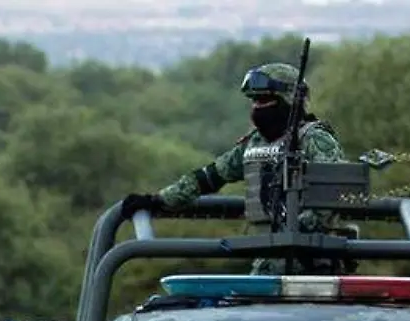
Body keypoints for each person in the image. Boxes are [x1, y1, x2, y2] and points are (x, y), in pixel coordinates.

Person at [119, 62, 352, 275]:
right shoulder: (254, 144)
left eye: (265, 100)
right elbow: (207, 177)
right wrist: (157, 200)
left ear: (289, 99)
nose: (257, 107)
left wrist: (298, 227)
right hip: (268, 260)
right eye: (255, 101)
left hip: (315, 263)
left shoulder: (314, 139)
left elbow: (334, 192)